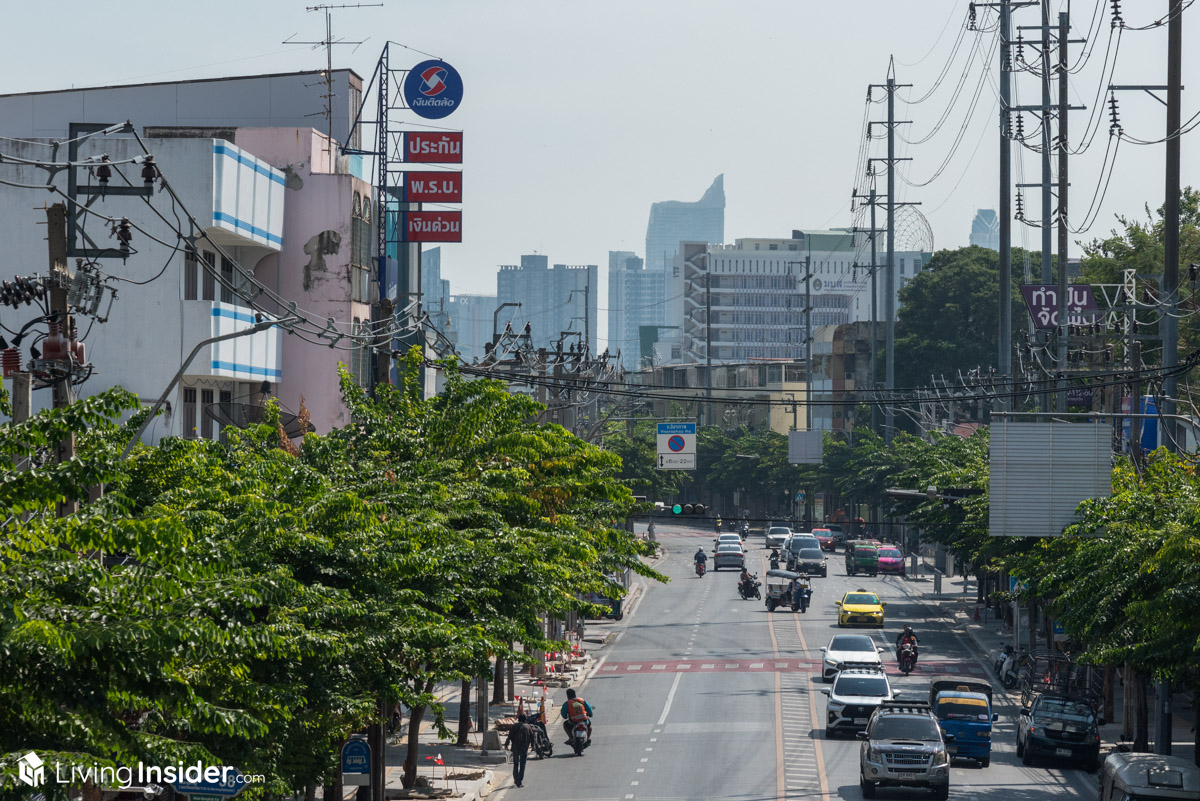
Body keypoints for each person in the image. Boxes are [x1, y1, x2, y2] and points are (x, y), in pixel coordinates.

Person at [504, 713, 533, 787]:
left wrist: (506, 744)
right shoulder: (528, 727)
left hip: (515, 747)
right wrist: (533, 745)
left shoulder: (514, 726)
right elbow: (532, 737)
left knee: (516, 764)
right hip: (524, 748)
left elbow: (509, 736)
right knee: (523, 764)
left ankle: (516, 778)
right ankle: (519, 780)